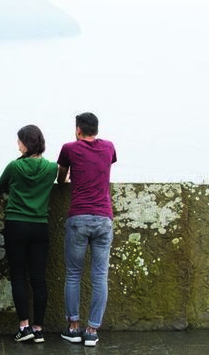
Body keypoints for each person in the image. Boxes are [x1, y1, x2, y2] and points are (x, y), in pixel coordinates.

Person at [57, 112, 117, 347]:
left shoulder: (69, 148)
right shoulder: (109, 147)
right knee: (100, 275)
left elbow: (61, 180)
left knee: (73, 274)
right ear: (97, 129)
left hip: (79, 217)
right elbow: (103, 165)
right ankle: (92, 331)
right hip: (103, 218)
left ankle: (73, 328)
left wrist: (70, 175)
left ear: (78, 130)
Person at [0, 124, 58, 344]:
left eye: (19, 141)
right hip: (39, 226)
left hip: (16, 224)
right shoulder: (52, 168)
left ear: (26, 144)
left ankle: (24, 326)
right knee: (39, 279)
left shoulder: (15, 166)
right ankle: (38, 328)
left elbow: (0, 185)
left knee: (19, 276)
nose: (18, 144)